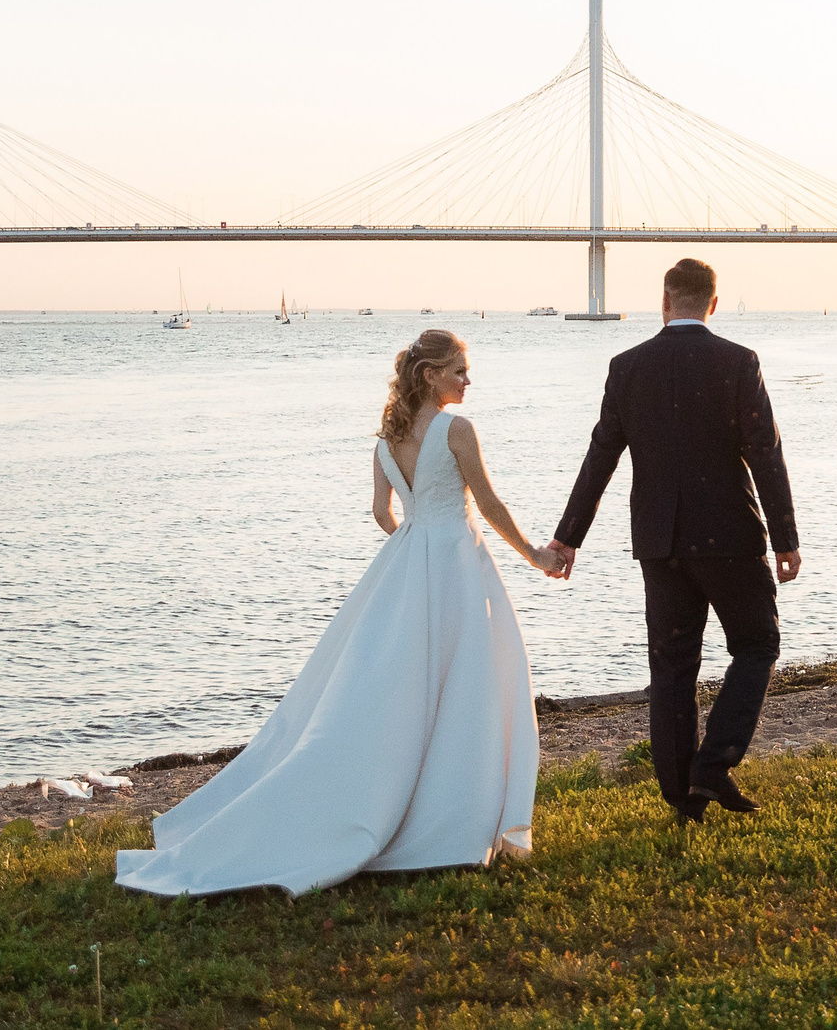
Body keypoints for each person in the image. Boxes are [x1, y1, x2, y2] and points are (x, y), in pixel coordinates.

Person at [116, 330, 551, 896]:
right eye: (459, 372)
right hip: (458, 567)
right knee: (469, 685)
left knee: (400, 691)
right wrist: (536, 556)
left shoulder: (384, 443)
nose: (468, 382)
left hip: (406, 566)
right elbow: (489, 504)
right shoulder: (456, 430)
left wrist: (413, 546)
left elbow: (381, 513)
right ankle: (453, 822)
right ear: (430, 376)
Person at [543, 258, 800, 823]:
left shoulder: (627, 366)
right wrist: (785, 538)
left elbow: (600, 457)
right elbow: (766, 454)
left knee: (673, 665)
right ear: (713, 303)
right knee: (756, 645)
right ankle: (714, 764)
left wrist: (568, 538)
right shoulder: (738, 362)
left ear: (665, 301)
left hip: (659, 543)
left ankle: (683, 796)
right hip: (729, 536)